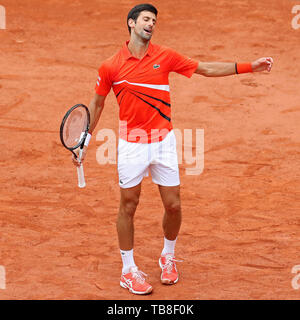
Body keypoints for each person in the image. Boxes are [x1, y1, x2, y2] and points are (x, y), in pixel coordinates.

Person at [72, 3, 273, 295]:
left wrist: (248, 67)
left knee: (174, 204)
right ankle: (128, 270)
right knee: (128, 205)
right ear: (131, 23)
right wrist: (84, 140)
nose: (151, 23)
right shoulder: (111, 65)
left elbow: (204, 68)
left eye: (154, 20)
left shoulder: (165, 57)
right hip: (131, 143)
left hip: (164, 142)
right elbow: (98, 103)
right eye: (145, 19)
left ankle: (168, 255)